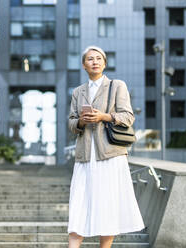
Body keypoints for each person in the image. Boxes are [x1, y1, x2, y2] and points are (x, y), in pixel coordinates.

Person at [67, 46, 145, 248]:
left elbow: (128, 117)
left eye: (99, 58)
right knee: (78, 207)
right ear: (84, 65)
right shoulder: (78, 92)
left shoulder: (117, 86)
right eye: (90, 59)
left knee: (108, 207)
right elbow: (71, 123)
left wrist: (104, 117)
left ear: (104, 63)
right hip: (85, 157)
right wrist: (82, 122)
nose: (95, 61)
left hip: (110, 156)